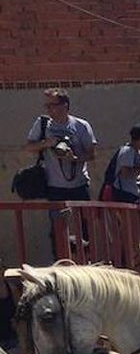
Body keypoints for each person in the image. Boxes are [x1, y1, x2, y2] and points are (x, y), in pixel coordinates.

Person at [24, 88, 97, 241]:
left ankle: (86, 260)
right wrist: (47, 143)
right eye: (47, 106)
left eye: (53, 105)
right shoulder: (43, 124)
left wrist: (74, 158)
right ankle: (60, 260)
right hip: (54, 186)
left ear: (65, 105)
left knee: (84, 227)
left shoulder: (81, 126)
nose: (49, 109)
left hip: (79, 185)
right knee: (57, 228)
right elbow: (28, 147)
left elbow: (91, 154)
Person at [105, 125, 140, 204]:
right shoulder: (128, 151)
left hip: (132, 193)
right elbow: (125, 173)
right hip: (122, 194)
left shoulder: (137, 153)